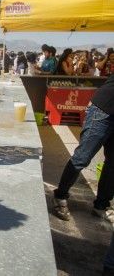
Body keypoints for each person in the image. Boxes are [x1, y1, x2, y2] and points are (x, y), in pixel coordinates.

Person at [52, 74, 114, 224]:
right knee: (82, 157)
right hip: (104, 109)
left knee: (113, 163)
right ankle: (60, 196)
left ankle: (102, 205)